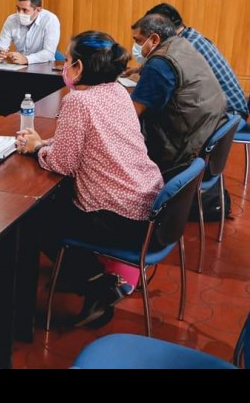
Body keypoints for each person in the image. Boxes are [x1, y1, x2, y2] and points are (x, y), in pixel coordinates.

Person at [16, 30, 164, 328]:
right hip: (149, 207)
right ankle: (87, 274)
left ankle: (96, 283)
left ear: (79, 67)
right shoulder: (118, 91)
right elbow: (90, 142)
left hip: (117, 218)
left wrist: (36, 149)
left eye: (68, 60)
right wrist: (45, 143)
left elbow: (64, 164)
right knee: (57, 203)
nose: (65, 66)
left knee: (32, 218)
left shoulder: (78, 101)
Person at [130, 14, 227, 174]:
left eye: (138, 41)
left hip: (182, 152)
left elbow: (132, 113)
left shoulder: (158, 64)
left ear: (154, 39)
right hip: (206, 134)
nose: (136, 46)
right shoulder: (182, 44)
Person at [125, 3, 247, 119]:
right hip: (224, 114)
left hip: (227, 114)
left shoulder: (180, 50)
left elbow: (136, 110)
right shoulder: (187, 40)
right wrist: (138, 69)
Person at [0, 0, 60, 65]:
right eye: (18, 9)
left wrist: (26, 59)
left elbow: (49, 53)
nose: (20, 13)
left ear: (38, 10)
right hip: (20, 66)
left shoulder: (50, 20)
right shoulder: (11, 20)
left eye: (25, 10)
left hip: (44, 66)